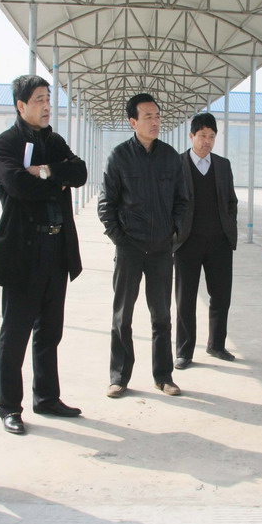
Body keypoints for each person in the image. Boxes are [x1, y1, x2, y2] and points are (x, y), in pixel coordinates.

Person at [0, 75, 88, 435]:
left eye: (48, 99)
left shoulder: (54, 141)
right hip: (23, 253)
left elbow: (80, 172)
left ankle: (46, 397)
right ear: (21, 106)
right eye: (39, 100)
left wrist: (45, 171)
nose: (47, 106)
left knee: (49, 331)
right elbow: (17, 185)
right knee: (15, 334)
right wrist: (56, 181)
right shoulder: (7, 143)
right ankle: (9, 407)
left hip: (56, 249)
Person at [98, 93, 189, 398]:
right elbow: (106, 203)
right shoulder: (119, 157)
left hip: (161, 249)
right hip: (130, 248)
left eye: (157, 116)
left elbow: (182, 200)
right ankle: (119, 377)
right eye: (148, 116)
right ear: (133, 122)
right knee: (122, 316)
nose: (155, 121)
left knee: (161, 316)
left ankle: (164, 376)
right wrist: (119, 238)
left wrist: (173, 232)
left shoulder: (170, 157)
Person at [173, 113, 238, 370]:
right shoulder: (177, 164)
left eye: (211, 136)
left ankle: (217, 345)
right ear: (191, 136)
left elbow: (231, 200)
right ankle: (184, 351)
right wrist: (175, 232)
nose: (207, 141)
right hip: (187, 242)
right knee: (185, 298)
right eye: (202, 136)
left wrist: (229, 226)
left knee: (221, 296)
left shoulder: (223, 165)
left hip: (219, 242)